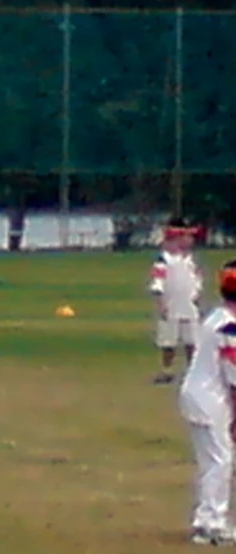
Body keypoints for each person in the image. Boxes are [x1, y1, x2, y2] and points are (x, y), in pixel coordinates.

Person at [179, 259, 236, 545]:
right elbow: (234, 377)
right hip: (210, 399)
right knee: (221, 460)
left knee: (211, 461)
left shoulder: (216, 317)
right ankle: (211, 525)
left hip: (197, 394)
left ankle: (206, 519)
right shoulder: (230, 327)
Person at [149, 218, 203, 385]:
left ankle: (192, 371)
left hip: (189, 305)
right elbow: (157, 282)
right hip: (171, 305)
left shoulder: (190, 260)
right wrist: (161, 303)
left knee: (191, 341)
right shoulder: (164, 260)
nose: (191, 241)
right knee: (168, 342)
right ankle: (167, 371)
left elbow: (196, 279)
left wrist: (197, 296)